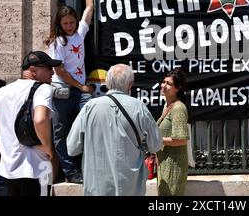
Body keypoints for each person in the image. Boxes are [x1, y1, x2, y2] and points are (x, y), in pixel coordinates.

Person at [0, 51, 62, 196]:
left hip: (9, 170)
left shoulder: (2, 92)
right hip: (35, 168)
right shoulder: (42, 88)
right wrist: (48, 148)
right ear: (33, 70)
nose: (52, 72)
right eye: (48, 68)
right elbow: (40, 119)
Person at [67, 64, 162, 196]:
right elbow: (156, 145)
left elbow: (72, 148)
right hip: (130, 186)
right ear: (130, 85)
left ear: (107, 83)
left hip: (97, 186)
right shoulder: (139, 107)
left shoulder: (89, 107)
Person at [44, 0, 95, 184]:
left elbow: (89, 9)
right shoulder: (57, 42)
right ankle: (71, 172)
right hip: (63, 91)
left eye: (72, 22)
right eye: (65, 23)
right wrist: (81, 86)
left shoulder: (80, 33)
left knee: (90, 122)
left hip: (80, 90)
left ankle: (86, 166)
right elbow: (61, 71)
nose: (69, 26)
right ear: (59, 23)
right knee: (61, 132)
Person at [156, 68, 189, 196]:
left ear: (178, 88)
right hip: (164, 163)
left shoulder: (178, 108)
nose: (164, 85)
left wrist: (157, 140)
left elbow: (181, 139)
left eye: (169, 84)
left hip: (174, 166)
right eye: (163, 82)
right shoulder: (168, 106)